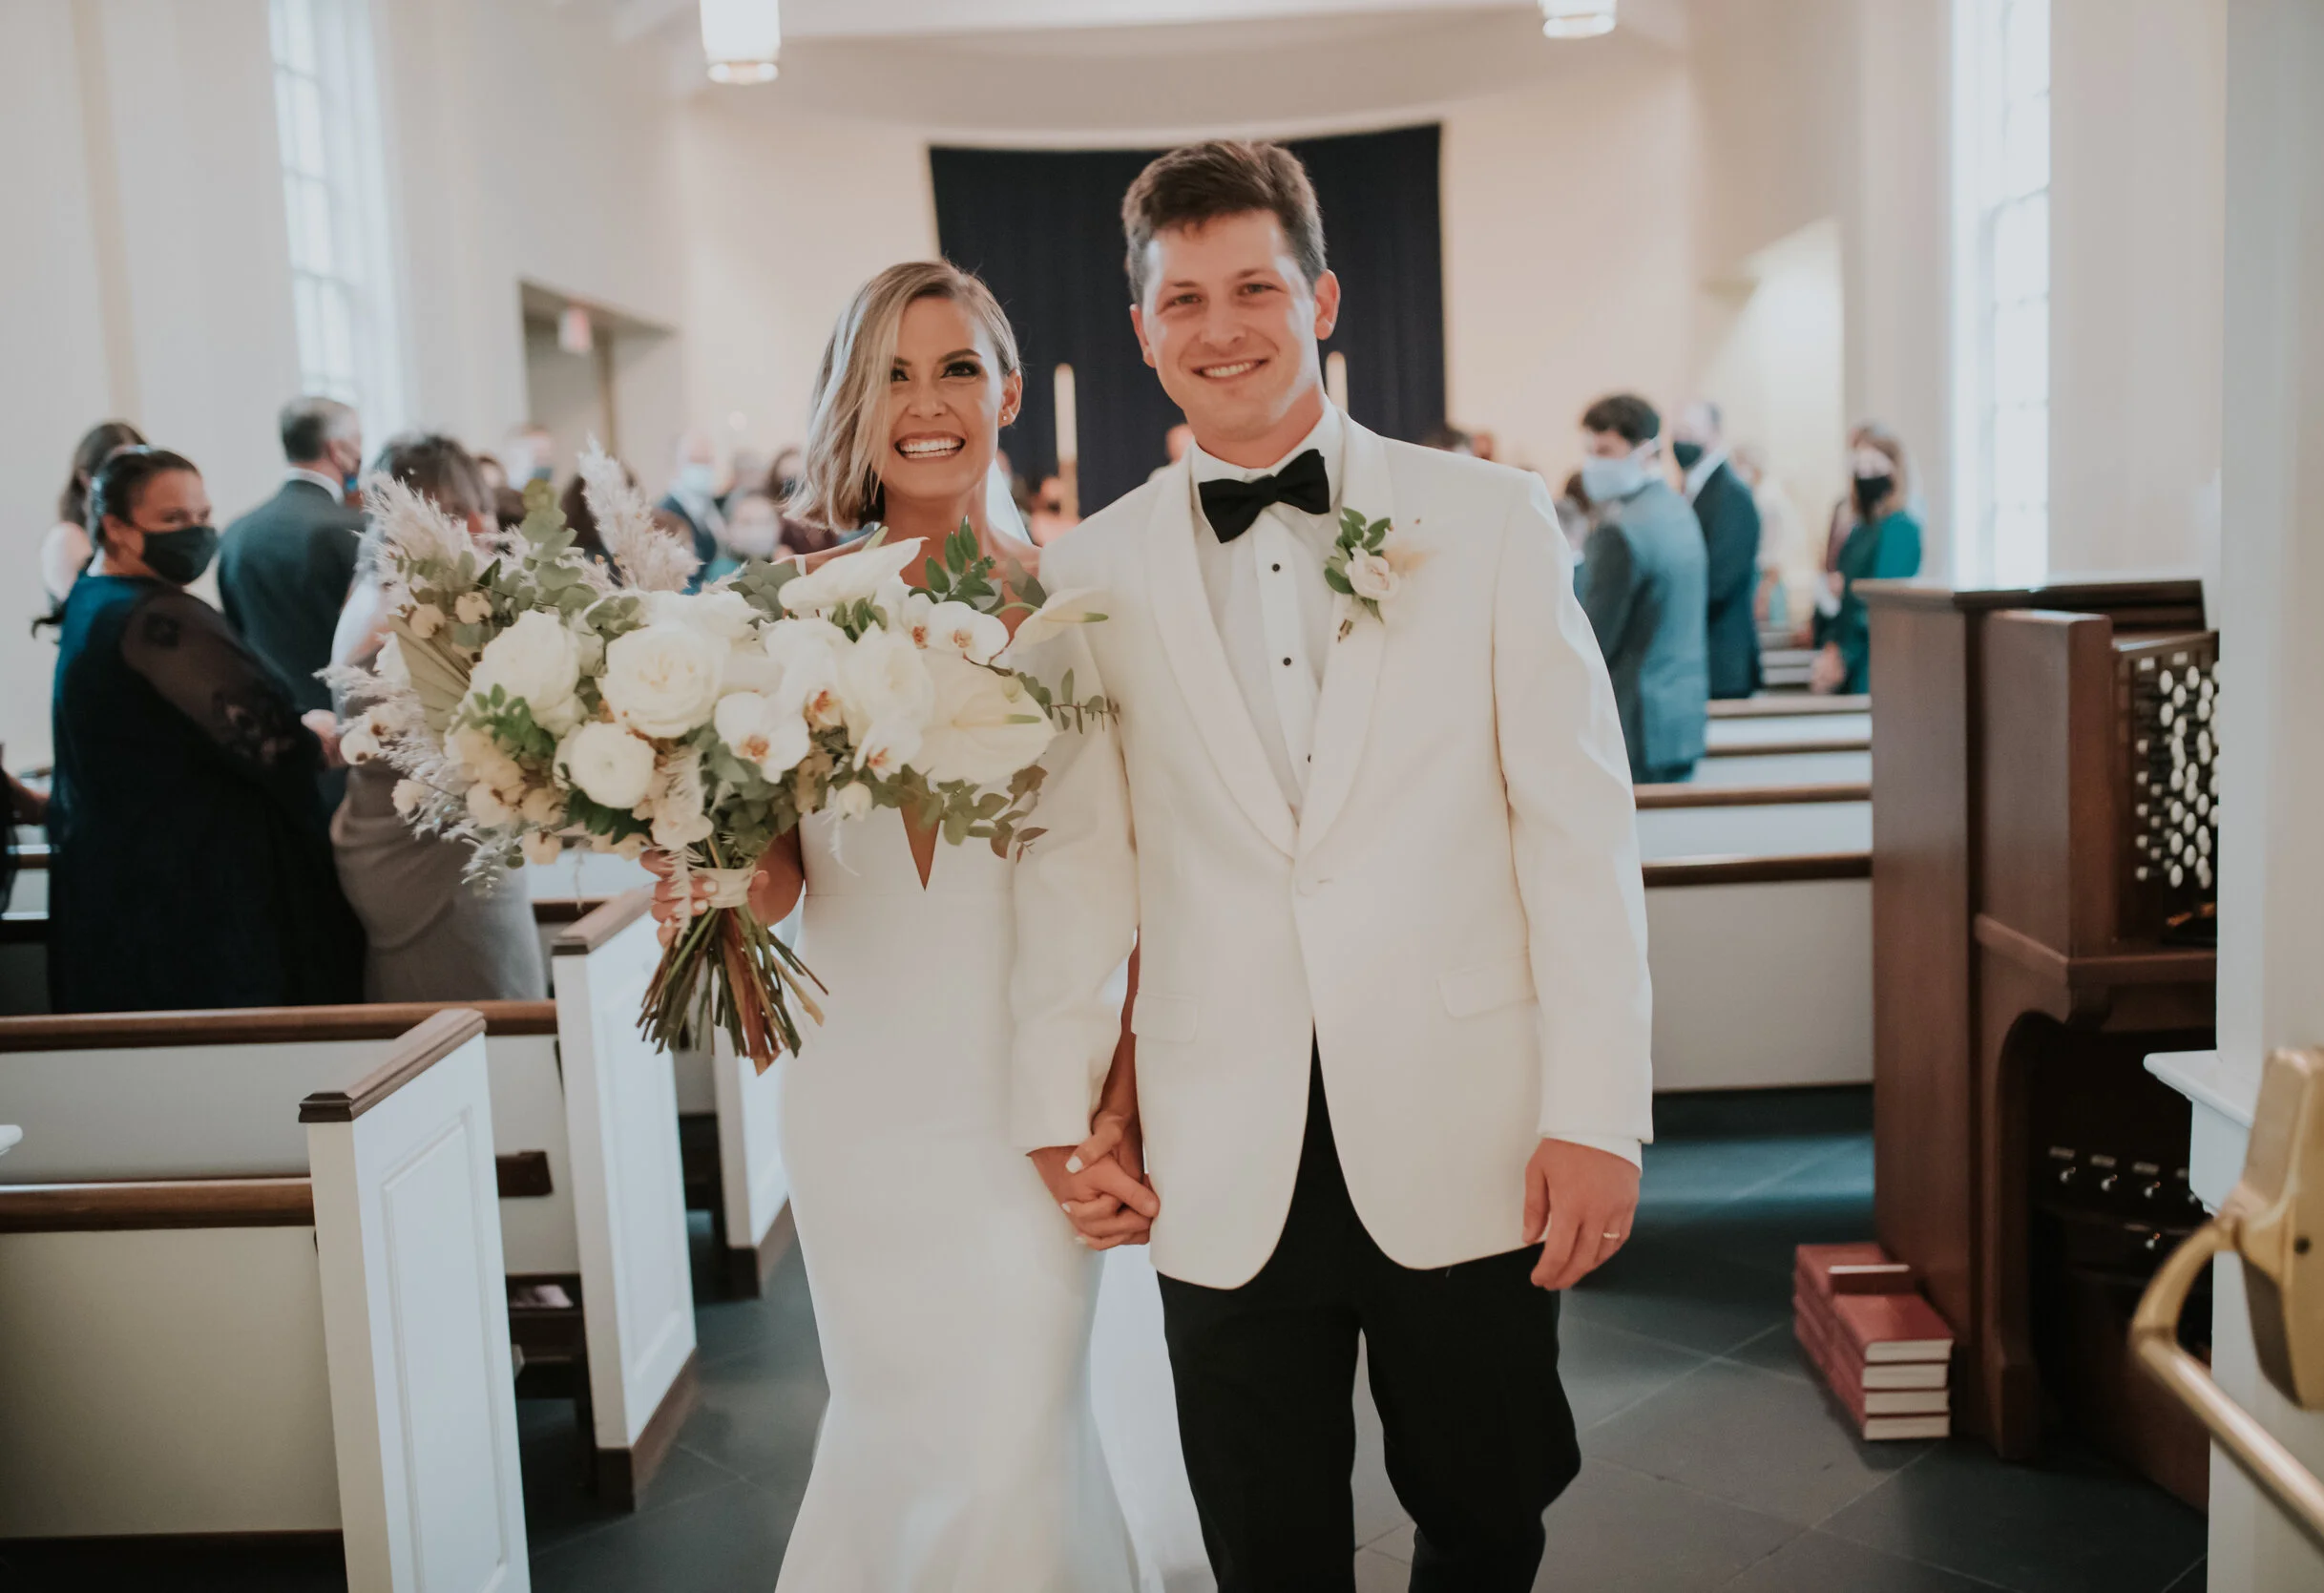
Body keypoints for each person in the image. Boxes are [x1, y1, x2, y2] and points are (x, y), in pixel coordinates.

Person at [1013, 140, 1651, 1592]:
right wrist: (1063, 1114)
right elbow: (1074, 874)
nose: (1221, 326)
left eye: (1255, 286)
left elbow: (1577, 830)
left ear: (1325, 298)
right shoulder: (1086, 573)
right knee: (1265, 1538)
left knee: (1489, 1511)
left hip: (1468, 1119)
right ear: (1140, 331)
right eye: (1184, 299)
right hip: (1218, 1139)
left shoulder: (1486, 519)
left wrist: (1599, 1109)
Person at [650, 261, 1206, 1592]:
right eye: (892, 372)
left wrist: (1125, 1093)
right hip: (858, 1087)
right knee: (897, 1418)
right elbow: (780, 877)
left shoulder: (1080, 607)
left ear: (1008, 389)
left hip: (1035, 1087)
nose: (927, 403)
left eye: (957, 367)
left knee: (1016, 1430)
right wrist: (699, 863)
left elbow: (1159, 881)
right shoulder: (777, 612)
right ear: (852, 399)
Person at [48, 448, 362, 1013]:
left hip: (123, 878)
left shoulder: (92, 598)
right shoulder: (156, 619)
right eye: (173, 521)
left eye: (201, 516)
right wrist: (314, 736)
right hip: (195, 891)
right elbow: (268, 739)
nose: (195, 533)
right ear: (115, 527)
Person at [325, 433, 543, 1002]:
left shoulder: (370, 588)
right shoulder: (425, 607)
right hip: (443, 855)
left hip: (388, 834)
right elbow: (485, 742)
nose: (486, 523)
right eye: (479, 507)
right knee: (483, 1016)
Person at [1576, 394, 1709, 785]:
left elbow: (1594, 638)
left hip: (1635, 721)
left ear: (1644, 450)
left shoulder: (1621, 529)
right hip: (1680, 715)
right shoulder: (1676, 508)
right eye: (1590, 450)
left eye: (1605, 450)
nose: (1593, 462)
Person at [218, 397, 369, 722]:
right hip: (346, 724)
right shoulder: (355, 529)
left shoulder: (236, 533)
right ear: (337, 449)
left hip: (270, 723)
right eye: (358, 441)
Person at [1812, 427, 1922, 695]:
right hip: (1849, 650)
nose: (1866, 476)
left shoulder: (1901, 527)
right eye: (1860, 468)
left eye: (1875, 467)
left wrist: (1843, 655)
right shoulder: (1861, 528)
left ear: (1895, 471)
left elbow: (1879, 598)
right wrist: (1831, 645)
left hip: (1873, 655)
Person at [1673, 400, 1762, 699]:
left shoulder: (1732, 494)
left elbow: (1720, 579)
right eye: (1677, 432)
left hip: (1723, 661)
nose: (1680, 441)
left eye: (1689, 432)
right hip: (1701, 656)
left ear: (1713, 434)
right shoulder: (1693, 488)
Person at [40, 421, 146, 606]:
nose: (130, 485)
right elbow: (92, 607)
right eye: (118, 472)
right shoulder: (66, 538)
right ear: (85, 478)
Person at [1736, 442, 1807, 630]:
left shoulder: (1768, 500)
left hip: (1767, 583)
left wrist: (1764, 593)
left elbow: (1774, 552)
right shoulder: (1758, 495)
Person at [656, 429, 728, 575]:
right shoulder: (666, 514)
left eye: (707, 461)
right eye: (695, 460)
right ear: (676, 464)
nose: (702, 468)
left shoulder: (710, 507)